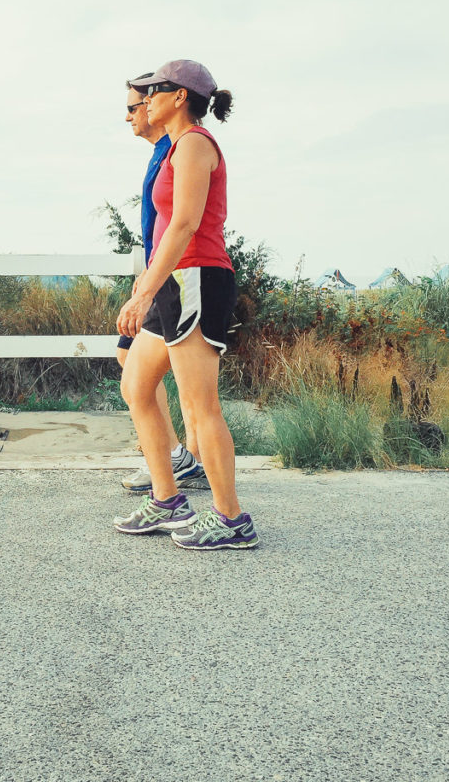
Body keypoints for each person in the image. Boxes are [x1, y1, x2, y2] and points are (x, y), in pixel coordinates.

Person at [113, 59, 259, 551]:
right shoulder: (174, 147)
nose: (146, 97)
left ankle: (232, 519)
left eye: (156, 89)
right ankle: (167, 500)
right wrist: (151, 288)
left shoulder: (196, 143)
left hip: (196, 276)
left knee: (202, 405)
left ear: (180, 97)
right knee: (136, 384)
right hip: (176, 280)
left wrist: (145, 290)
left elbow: (184, 225)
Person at [118, 75, 207, 492]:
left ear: (176, 98)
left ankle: (218, 502)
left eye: (138, 105)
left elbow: (184, 223)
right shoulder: (166, 151)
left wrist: (151, 283)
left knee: (196, 395)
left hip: (183, 275)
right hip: (163, 274)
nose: (134, 113)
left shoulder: (185, 146)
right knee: (135, 373)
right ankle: (173, 473)